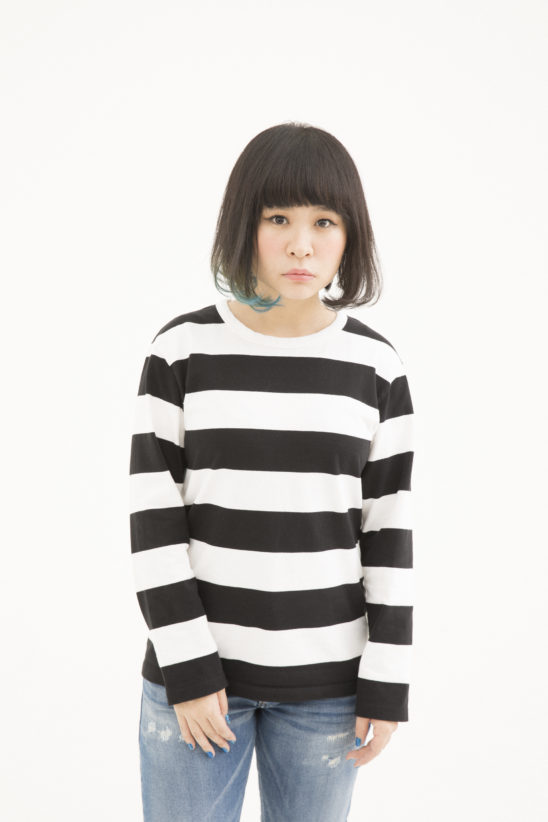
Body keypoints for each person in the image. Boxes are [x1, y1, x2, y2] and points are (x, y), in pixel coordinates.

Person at [129, 121, 415, 821]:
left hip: (328, 692)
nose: (301, 244)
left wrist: (386, 681)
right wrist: (189, 668)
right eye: (278, 218)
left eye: (324, 221)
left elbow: (388, 534)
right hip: (197, 683)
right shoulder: (181, 352)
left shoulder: (376, 368)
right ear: (244, 225)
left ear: (350, 235)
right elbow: (154, 523)